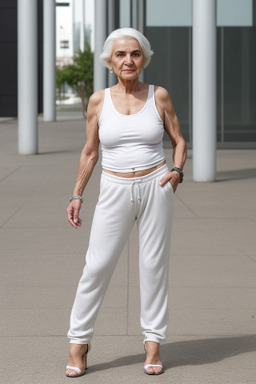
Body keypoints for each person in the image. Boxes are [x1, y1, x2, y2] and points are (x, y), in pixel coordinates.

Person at [65, 27, 187, 378]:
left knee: (153, 266)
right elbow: (90, 151)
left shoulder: (158, 96)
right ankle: (79, 342)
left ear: (143, 59)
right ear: (110, 61)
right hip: (114, 188)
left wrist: (177, 171)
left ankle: (153, 343)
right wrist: (77, 194)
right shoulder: (99, 101)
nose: (128, 60)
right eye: (121, 54)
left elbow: (179, 139)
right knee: (97, 266)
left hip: (156, 185)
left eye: (134, 54)